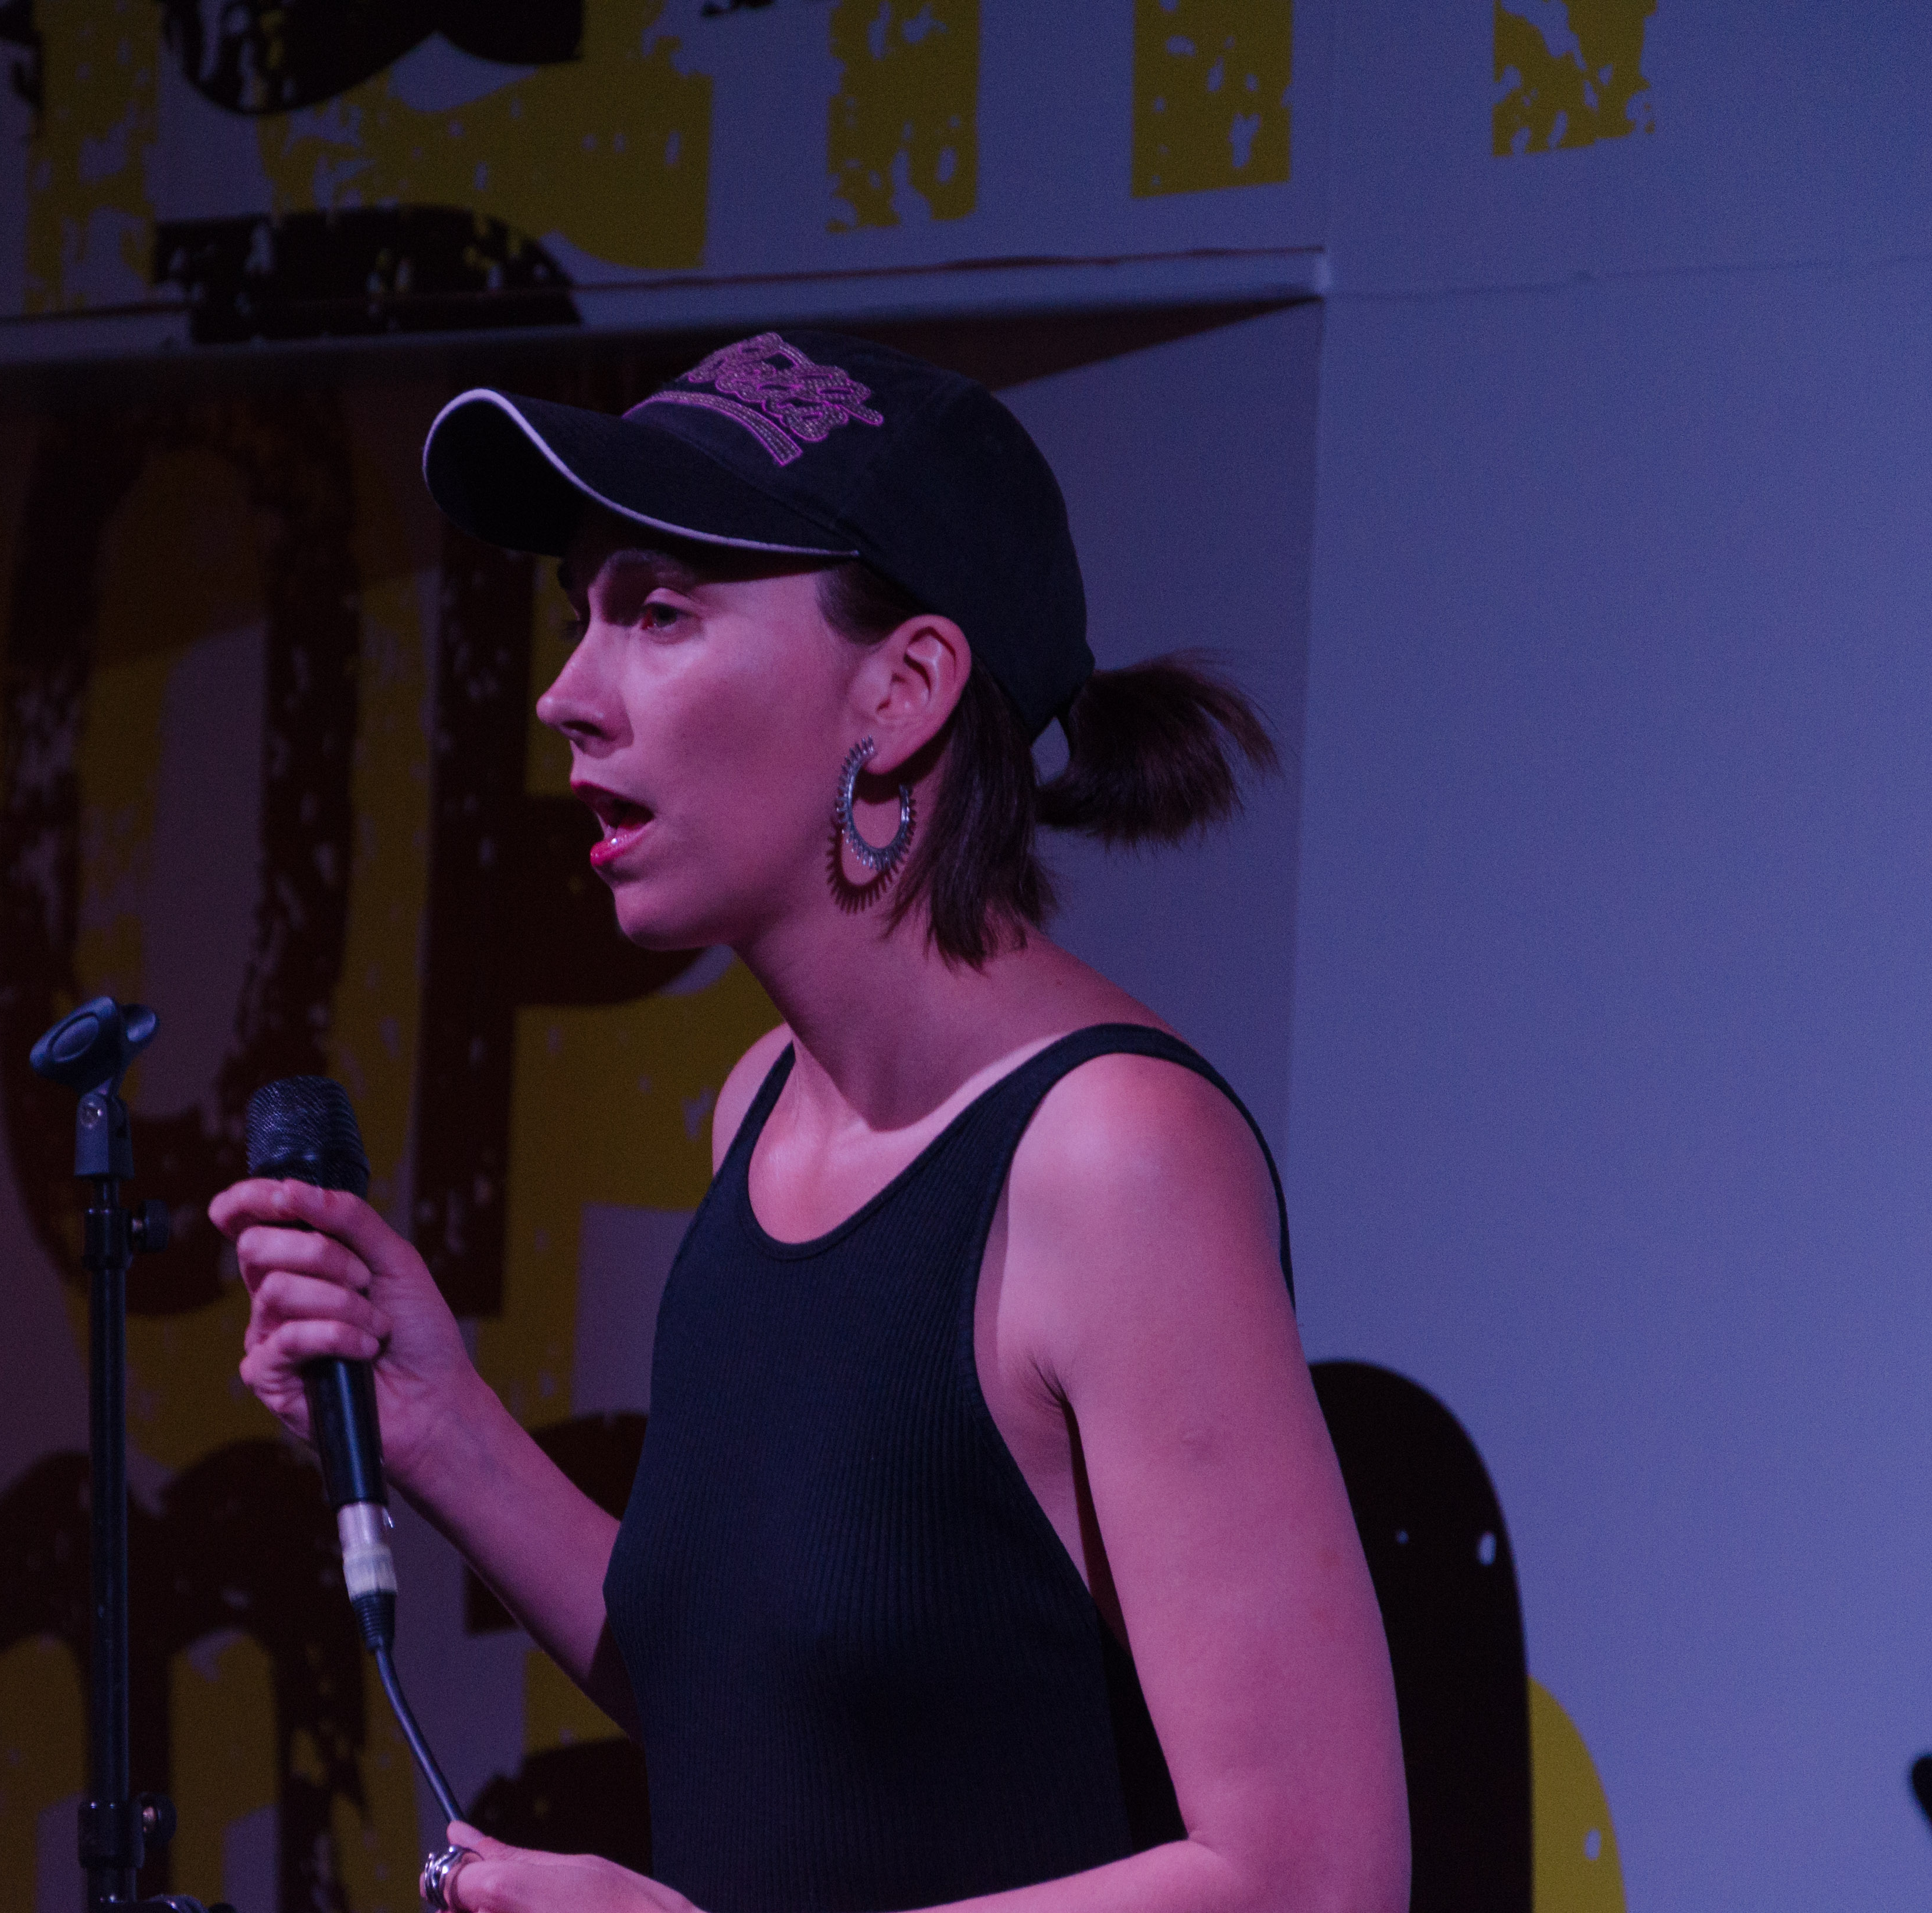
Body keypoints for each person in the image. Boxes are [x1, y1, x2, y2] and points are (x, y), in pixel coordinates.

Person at [210, 331, 1408, 1913]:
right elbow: (775, 1727)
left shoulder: (1113, 1157)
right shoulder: (760, 1109)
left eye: (660, 612)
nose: (568, 694)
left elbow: (1314, 1878)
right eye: (583, 614)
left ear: (901, 691)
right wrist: (439, 1428)